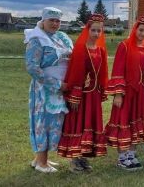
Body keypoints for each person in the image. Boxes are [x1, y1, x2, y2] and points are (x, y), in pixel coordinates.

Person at [57, 14, 108, 171]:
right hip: (82, 95)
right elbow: (75, 73)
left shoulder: (100, 50)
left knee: (90, 124)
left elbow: (103, 73)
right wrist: (75, 94)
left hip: (93, 94)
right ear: (87, 30)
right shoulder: (81, 48)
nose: (96, 34)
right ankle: (74, 160)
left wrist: (102, 90)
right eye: (93, 30)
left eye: (99, 31)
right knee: (78, 124)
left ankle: (83, 157)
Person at [24, 7, 73, 173]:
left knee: (53, 123)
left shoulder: (61, 37)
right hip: (44, 88)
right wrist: (56, 84)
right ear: (43, 20)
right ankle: (41, 163)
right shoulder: (36, 39)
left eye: (58, 20)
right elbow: (32, 67)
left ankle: (40, 159)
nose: (55, 23)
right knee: (42, 123)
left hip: (60, 89)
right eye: (51, 20)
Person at [104, 16, 144, 171]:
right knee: (124, 121)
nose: (143, 33)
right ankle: (122, 157)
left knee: (136, 123)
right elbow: (117, 70)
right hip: (126, 93)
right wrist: (118, 93)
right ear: (135, 29)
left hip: (141, 93)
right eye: (141, 30)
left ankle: (131, 154)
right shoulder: (124, 46)